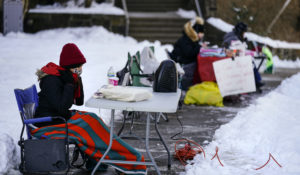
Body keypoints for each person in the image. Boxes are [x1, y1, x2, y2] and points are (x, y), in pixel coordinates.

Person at [33, 43, 146, 174]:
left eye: (81, 66)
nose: (80, 69)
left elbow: (79, 102)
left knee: (93, 119)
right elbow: (62, 108)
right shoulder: (52, 80)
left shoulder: (64, 76)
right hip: (49, 123)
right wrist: (70, 84)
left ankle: (104, 159)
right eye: (78, 66)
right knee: (91, 127)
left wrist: (77, 80)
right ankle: (125, 159)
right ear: (70, 66)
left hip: (59, 117)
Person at [222, 22, 264, 91]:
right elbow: (232, 50)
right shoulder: (233, 37)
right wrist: (242, 44)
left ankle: (255, 82)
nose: (244, 34)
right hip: (230, 59)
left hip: (232, 57)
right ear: (240, 31)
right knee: (249, 63)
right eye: (243, 32)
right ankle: (255, 82)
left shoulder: (233, 35)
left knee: (250, 61)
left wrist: (243, 42)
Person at [169, 16, 206, 91]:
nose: (201, 34)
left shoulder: (189, 38)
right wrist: (200, 47)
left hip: (184, 62)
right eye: (200, 32)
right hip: (184, 64)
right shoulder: (185, 39)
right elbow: (189, 53)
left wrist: (199, 46)